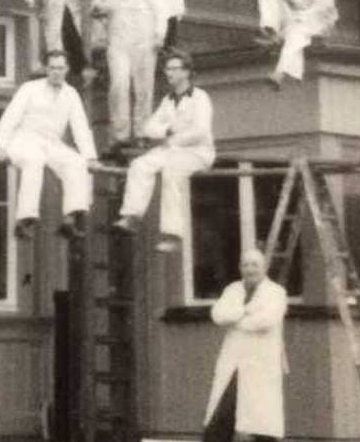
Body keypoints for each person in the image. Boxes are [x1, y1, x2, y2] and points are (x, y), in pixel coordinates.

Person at [114, 50, 214, 253]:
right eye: (167, 69)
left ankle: (173, 234)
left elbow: (201, 131)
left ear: (186, 72)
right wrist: (167, 130)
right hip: (171, 149)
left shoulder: (200, 97)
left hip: (197, 152)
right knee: (140, 165)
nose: (169, 73)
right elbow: (148, 128)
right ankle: (132, 216)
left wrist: (175, 139)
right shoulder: (168, 100)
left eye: (174, 69)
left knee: (172, 171)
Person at [0, 49, 97, 240]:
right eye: (52, 68)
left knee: (77, 163)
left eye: (60, 68)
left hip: (52, 143)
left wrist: (90, 156)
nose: (56, 72)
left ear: (67, 69)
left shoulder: (71, 94)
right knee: (34, 160)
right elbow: (10, 117)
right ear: (46, 69)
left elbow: (80, 127)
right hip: (25, 139)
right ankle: (25, 220)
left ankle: (70, 219)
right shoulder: (29, 88)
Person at [202, 248, 288, 442]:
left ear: (264, 268)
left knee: (262, 423)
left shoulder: (276, 292)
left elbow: (266, 320)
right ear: (240, 268)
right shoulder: (233, 290)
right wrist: (246, 310)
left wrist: (236, 320)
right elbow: (218, 315)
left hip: (261, 364)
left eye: (254, 265)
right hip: (233, 363)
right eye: (245, 265)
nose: (250, 269)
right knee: (221, 415)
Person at [92, 0, 166, 143]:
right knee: (119, 84)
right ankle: (121, 134)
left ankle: (142, 132)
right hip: (118, 40)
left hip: (143, 39)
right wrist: (97, 9)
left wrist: (159, 34)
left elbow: (160, 8)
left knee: (143, 88)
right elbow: (98, 5)